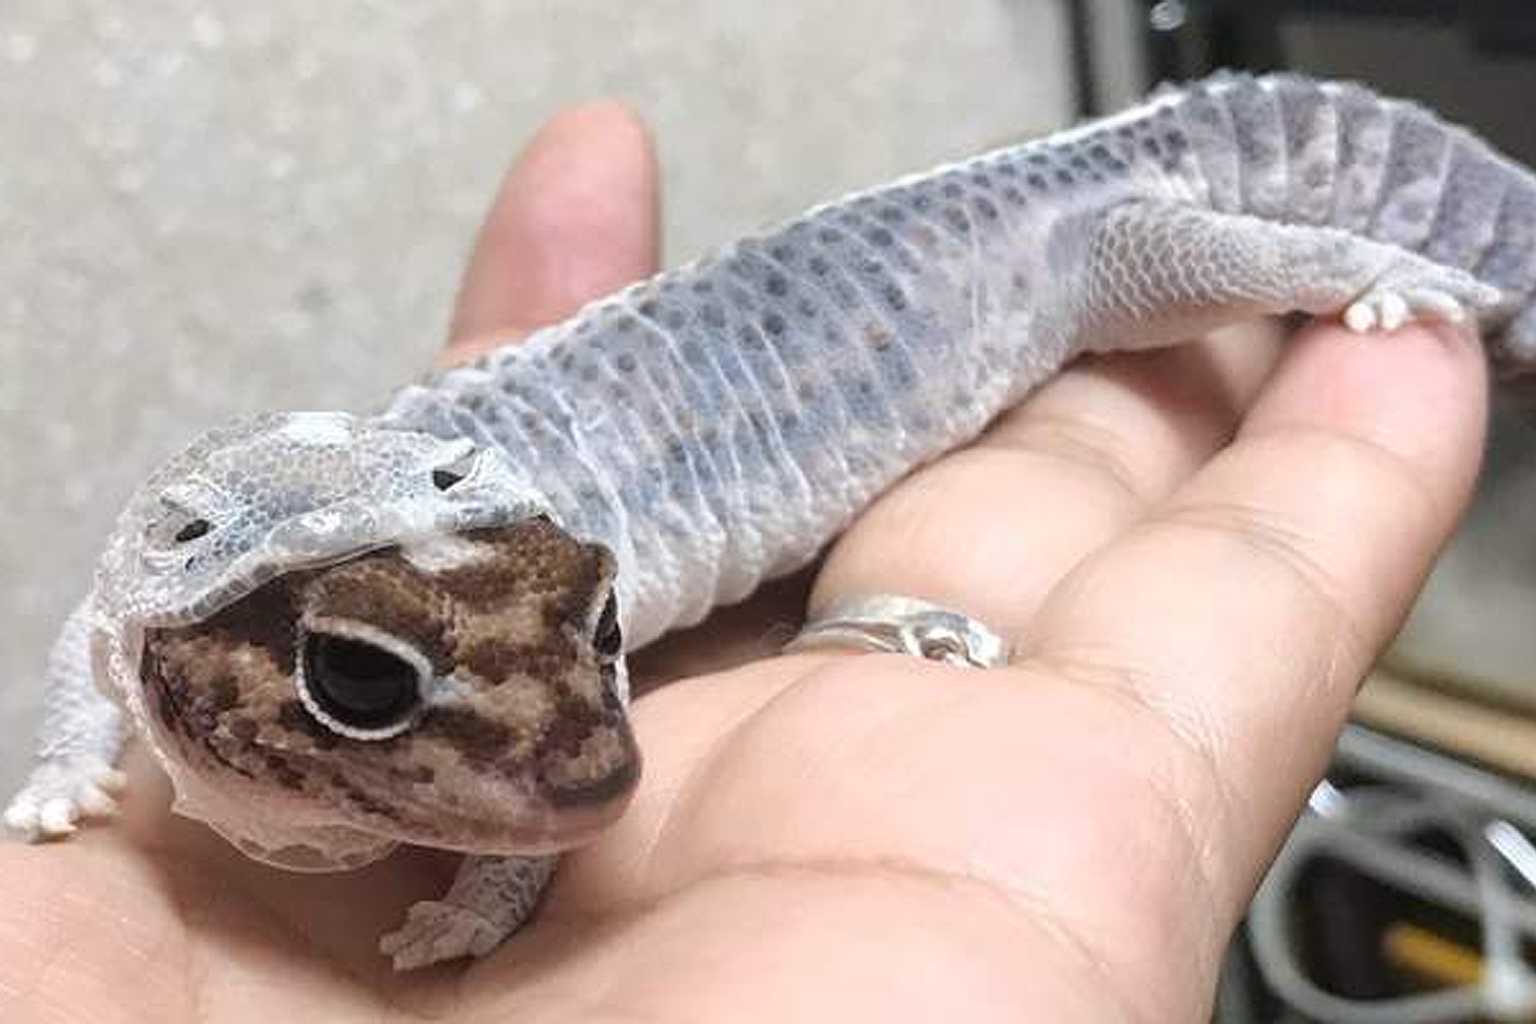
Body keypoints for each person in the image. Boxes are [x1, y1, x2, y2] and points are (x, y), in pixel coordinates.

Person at [0, 101, 1488, 1020]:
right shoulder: (258, 594)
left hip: (1041, 246)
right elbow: (115, 631)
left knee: (1181, 261)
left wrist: (1343, 274)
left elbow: (545, 758)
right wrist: (74, 758)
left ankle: (1354, 255)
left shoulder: (474, 573)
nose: (597, 760)